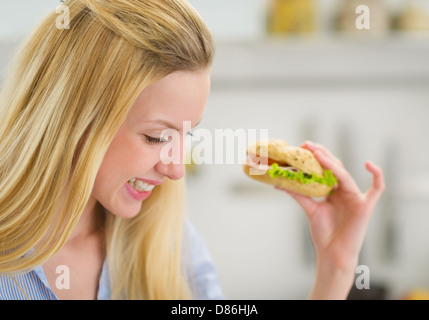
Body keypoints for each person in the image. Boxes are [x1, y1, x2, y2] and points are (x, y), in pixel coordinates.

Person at [0, 0, 385, 300]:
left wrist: (335, 269)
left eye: (187, 135)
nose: (176, 170)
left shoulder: (168, 243)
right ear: (71, 117)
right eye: (156, 136)